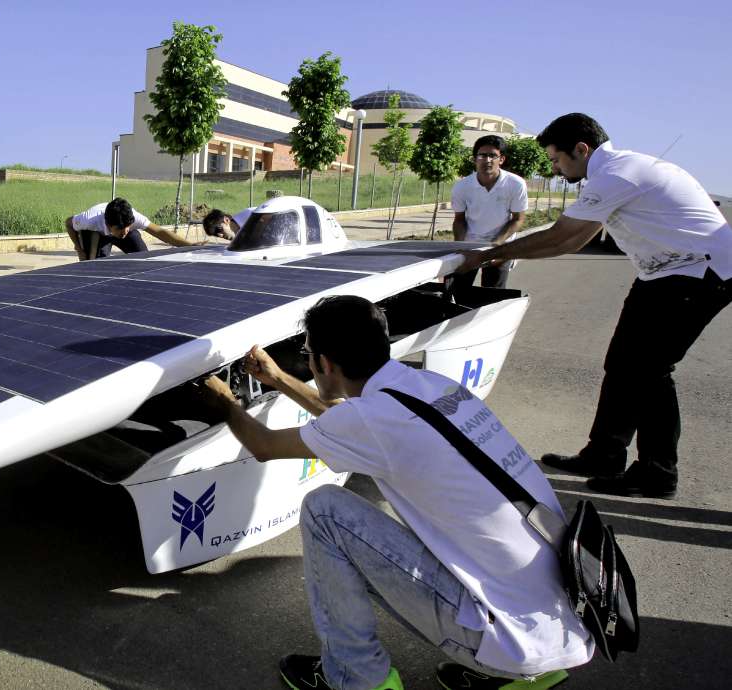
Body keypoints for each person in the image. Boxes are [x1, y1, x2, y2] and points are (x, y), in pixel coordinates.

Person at [195, 295, 592, 690]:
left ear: (324, 363)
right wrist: (278, 378)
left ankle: (358, 679)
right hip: (562, 621)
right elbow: (348, 424)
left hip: (508, 638)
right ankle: (524, 675)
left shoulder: (371, 420)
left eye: (308, 352)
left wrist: (225, 402)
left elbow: (264, 446)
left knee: (326, 512)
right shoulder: (430, 387)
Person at [456, 113, 732, 499]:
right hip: (662, 273)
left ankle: (657, 473)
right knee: (622, 365)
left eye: (556, 159)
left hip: (699, 273)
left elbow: (564, 239)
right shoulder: (621, 169)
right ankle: (604, 454)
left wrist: (490, 255)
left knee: (650, 371)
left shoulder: (616, 175)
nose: (553, 168)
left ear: (581, 149)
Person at [450, 135, 528, 290]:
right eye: (482, 155)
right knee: (456, 291)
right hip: (470, 246)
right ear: (474, 159)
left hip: (500, 246)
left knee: (492, 297)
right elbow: (459, 219)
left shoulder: (515, 184)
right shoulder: (462, 187)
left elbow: (518, 219)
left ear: (502, 159)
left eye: (493, 155)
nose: (487, 160)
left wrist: (497, 245)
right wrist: (459, 246)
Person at [64, 197, 200, 260]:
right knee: (95, 265)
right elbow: (68, 223)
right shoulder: (89, 220)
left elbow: (160, 232)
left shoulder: (132, 218)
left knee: (143, 256)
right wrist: (79, 249)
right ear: (109, 224)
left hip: (113, 230)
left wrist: (190, 245)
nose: (124, 232)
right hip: (96, 234)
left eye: (127, 227)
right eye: (120, 229)